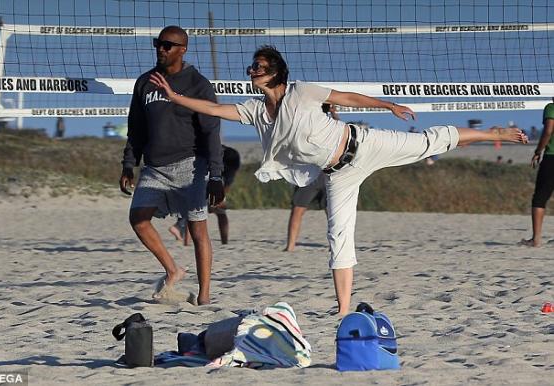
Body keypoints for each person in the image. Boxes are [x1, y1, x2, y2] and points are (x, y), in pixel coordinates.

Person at [149, 45, 528, 315]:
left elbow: (348, 97)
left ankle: (491, 132)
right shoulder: (255, 111)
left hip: (363, 145)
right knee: (338, 236)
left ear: (276, 72)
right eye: (251, 66)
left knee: (427, 142)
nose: (252, 71)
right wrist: (174, 96)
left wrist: (388, 105)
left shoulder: (303, 92)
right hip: (337, 174)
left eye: (259, 66)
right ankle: (344, 307)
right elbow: (214, 108)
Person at [119, 25, 225, 305]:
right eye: (158, 44)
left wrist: (217, 176)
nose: (161, 49)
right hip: (155, 168)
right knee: (138, 219)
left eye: (167, 45)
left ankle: (204, 296)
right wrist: (129, 164)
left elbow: (211, 131)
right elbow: (136, 129)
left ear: (182, 49)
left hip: (191, 166)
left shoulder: (198, 84)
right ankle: (172, 269)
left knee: (198, 231)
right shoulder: (145, 83)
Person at [284, 103, 338, 252]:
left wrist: (333, 113)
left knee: (332, 212)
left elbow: (339, 130)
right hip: (308, 174)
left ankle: (335, 245)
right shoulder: (306, 126)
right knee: (298, 209)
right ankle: (290, 246)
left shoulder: (330, 127)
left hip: (327, 173)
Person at [169, 144, 241, 245]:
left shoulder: (215, 152)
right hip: (202, 172)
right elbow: (227, 185)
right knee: (218, 212)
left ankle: (185, 239)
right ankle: (224, 242)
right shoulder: (228, 163)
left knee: (193, 209)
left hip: (197, 170)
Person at [519, 97, 554, 247]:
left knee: (539, 198)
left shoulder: (551, 107)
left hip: (552, 157)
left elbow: (548, 131)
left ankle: (536, 239)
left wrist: (538, 151)